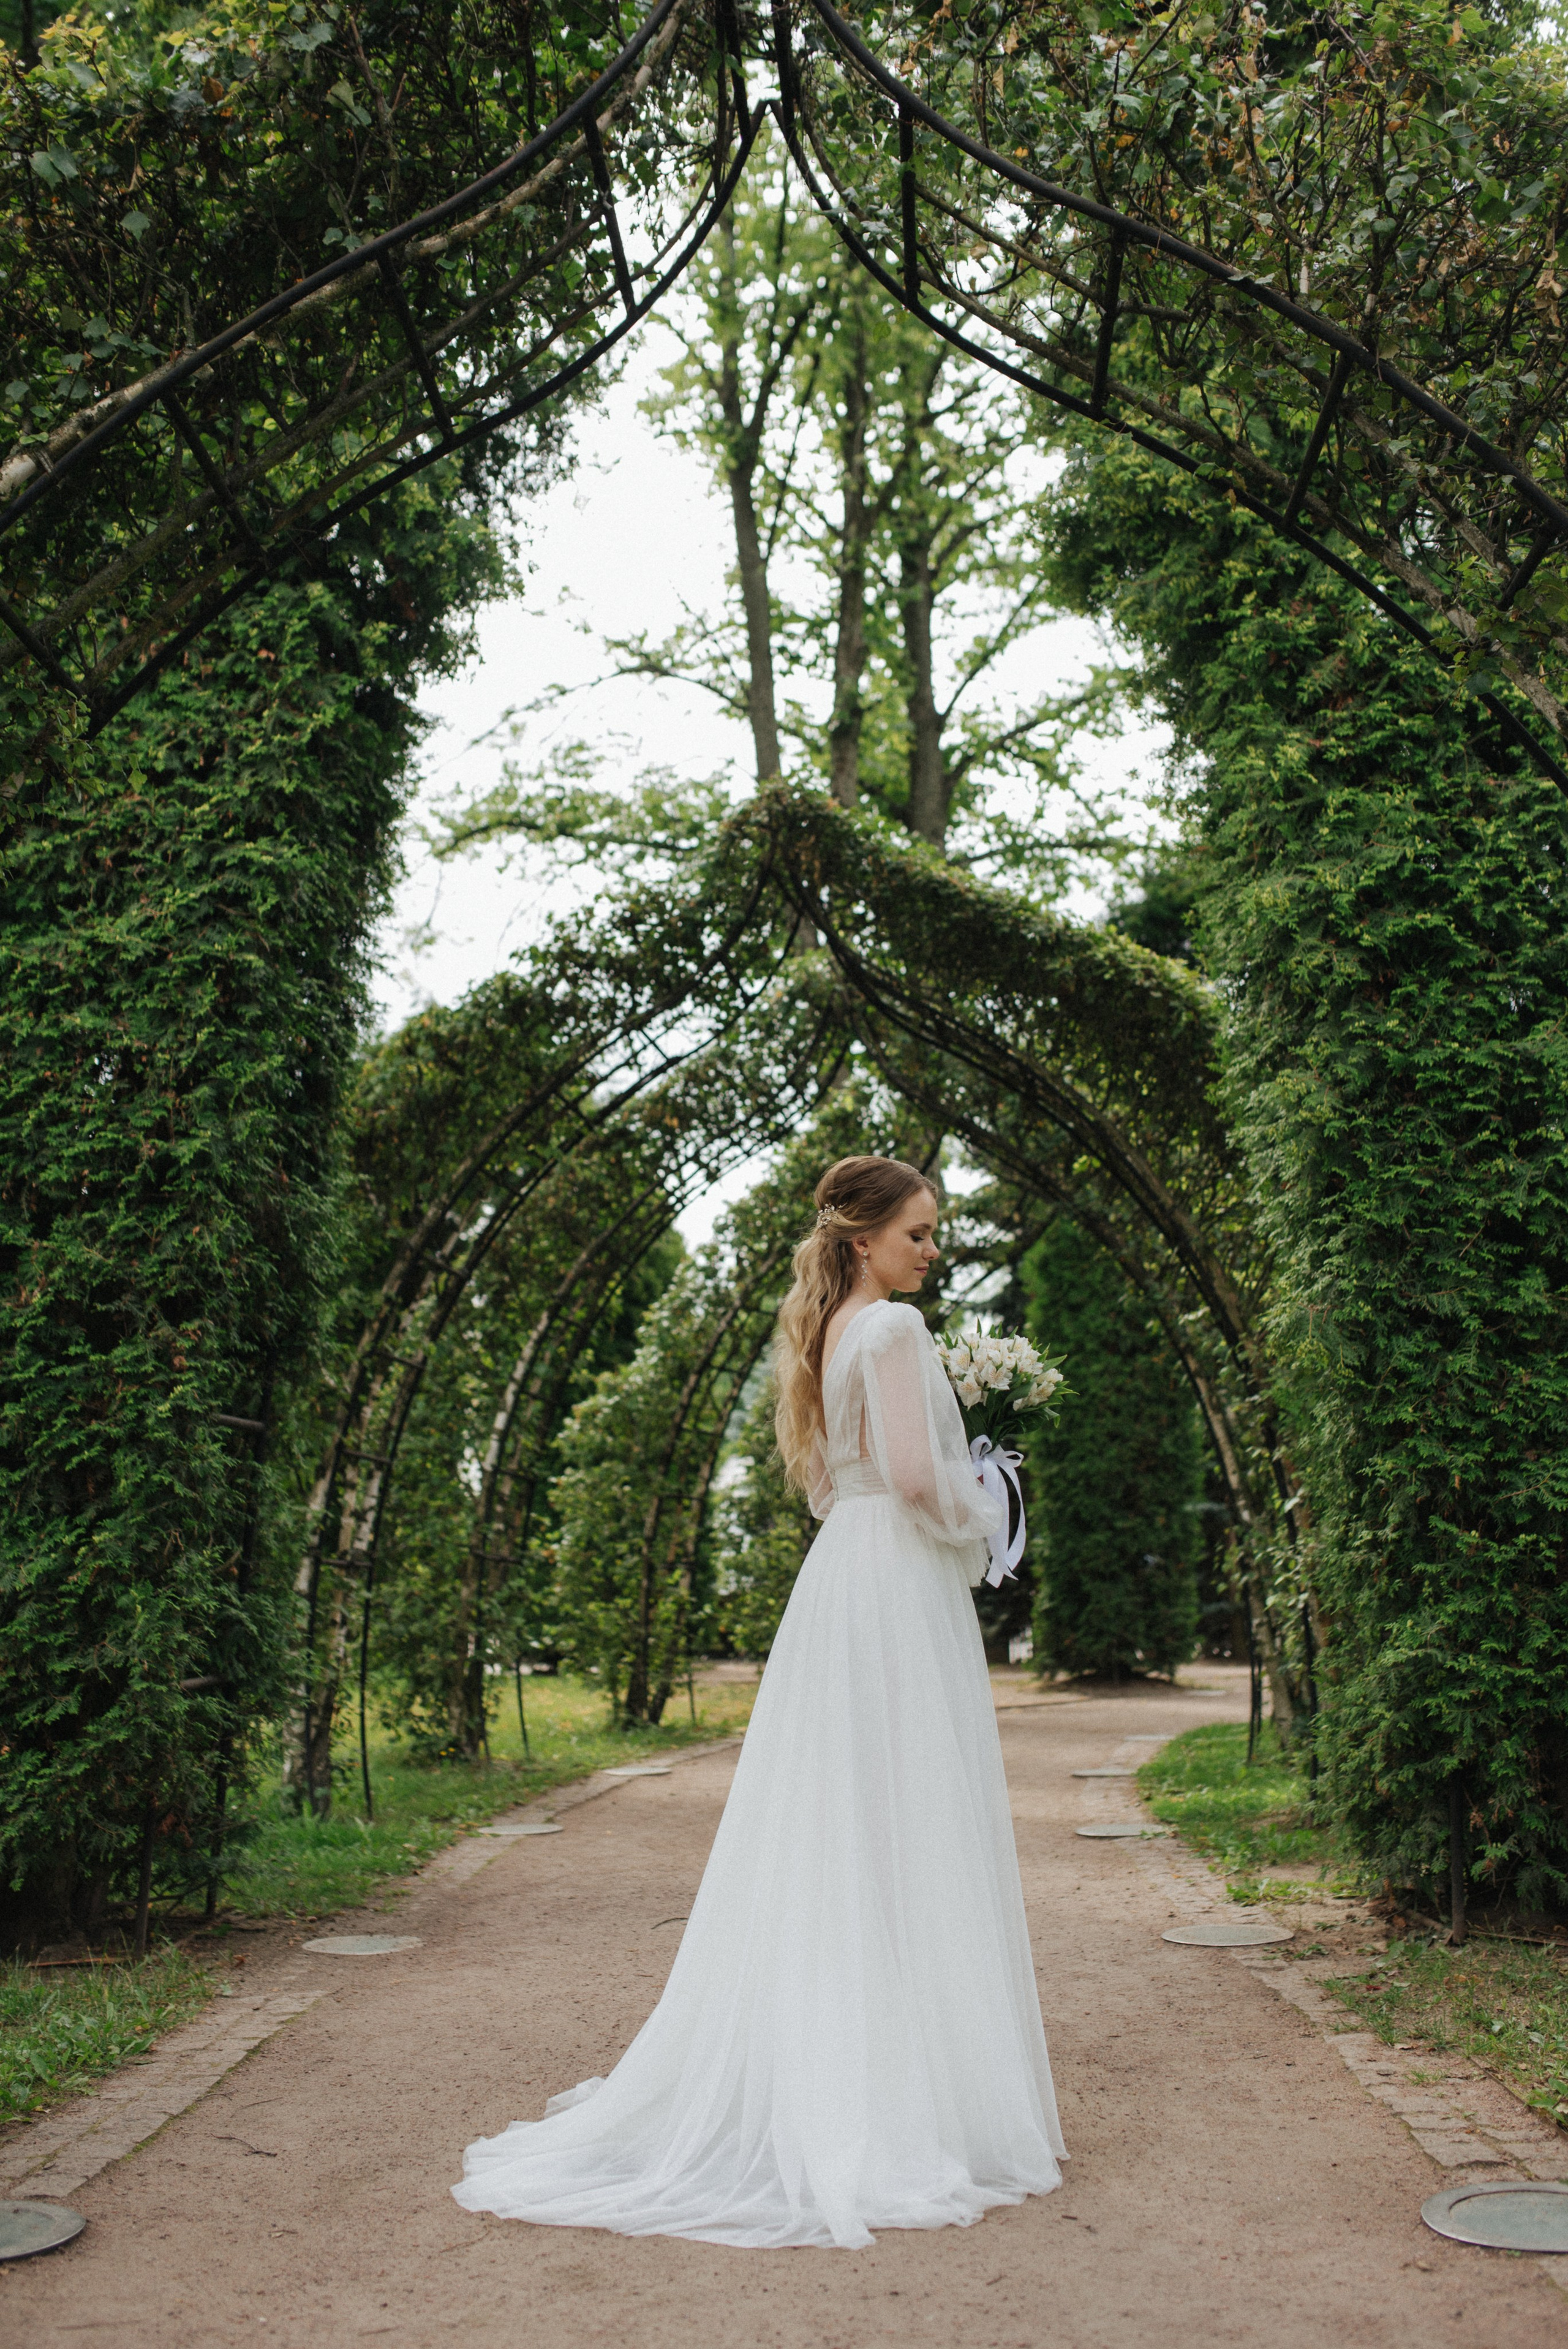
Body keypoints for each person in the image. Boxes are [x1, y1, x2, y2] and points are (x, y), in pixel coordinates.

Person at [452, 1153, 1065, 2249]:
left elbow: (838, 1484)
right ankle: (897, 2096)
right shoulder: (896, 1331)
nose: (934, 1250)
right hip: (896, 1587)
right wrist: (990, 1510)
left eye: (936, 1232)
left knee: (845, 1822)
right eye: (919, 1233)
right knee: (904, 1816)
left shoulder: (830, 1333)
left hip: (845, 1574)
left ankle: (855, 2068)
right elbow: (921, 1483)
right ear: (865, 1237)